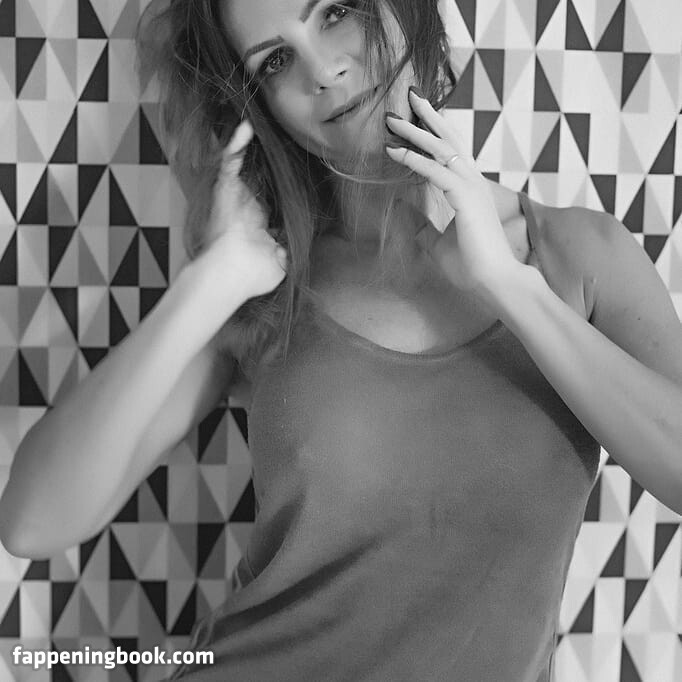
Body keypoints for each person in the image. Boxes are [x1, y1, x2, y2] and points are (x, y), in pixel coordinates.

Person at [1, 0, 681, 679]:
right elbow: (33, 523)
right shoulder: (269, 283)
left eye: (337, 12)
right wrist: (208, 284)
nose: (322, 71)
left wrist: (510, 287)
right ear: (259, 106)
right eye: (275, 60)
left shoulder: (576, 254)